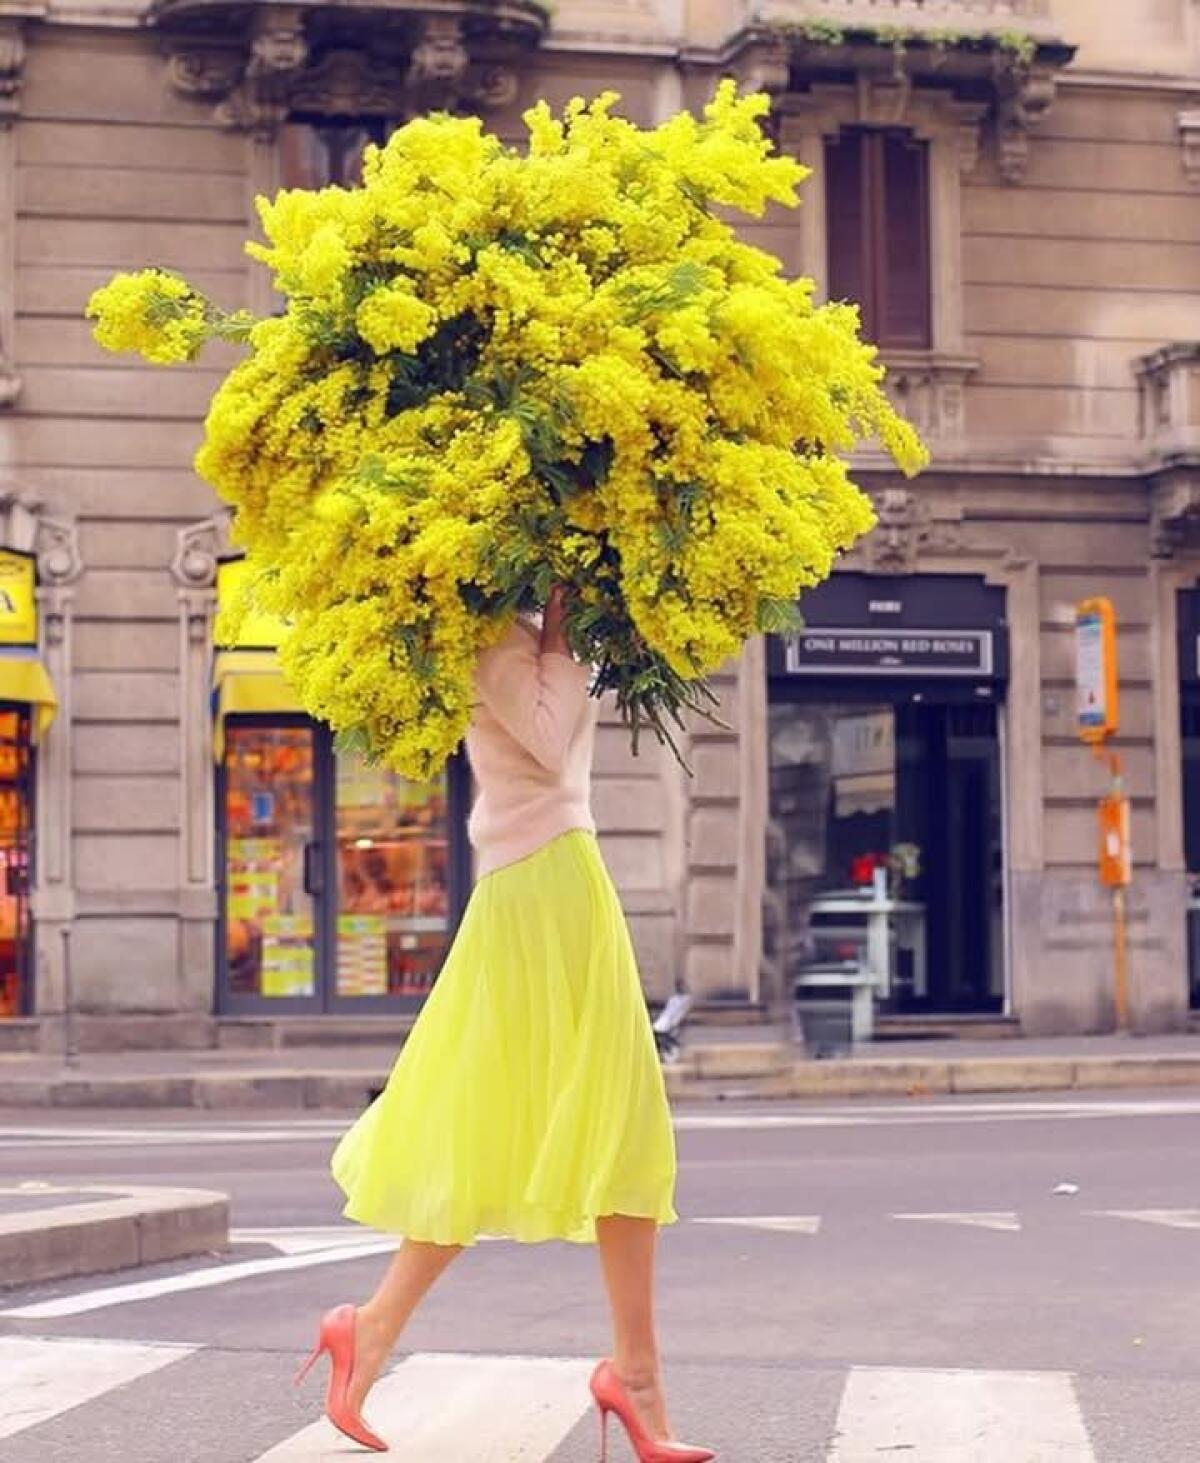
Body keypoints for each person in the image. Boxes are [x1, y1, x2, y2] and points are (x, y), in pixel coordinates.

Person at [296, 585, 716, 1462]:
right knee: (527, 1127)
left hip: (564, 883)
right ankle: (621, 1374)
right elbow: (546, 736)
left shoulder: (525, 630)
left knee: (599, 1128)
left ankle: (375, 1332)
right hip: (535, 889)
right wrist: (563, 629)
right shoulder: (484, 626)